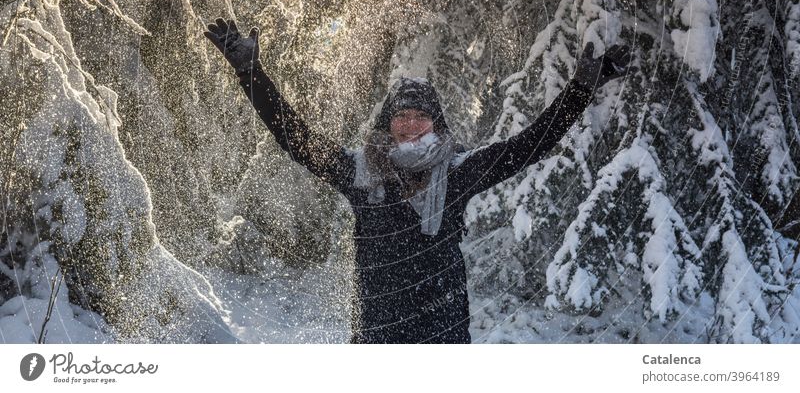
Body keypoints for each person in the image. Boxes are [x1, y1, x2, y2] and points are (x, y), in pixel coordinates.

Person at [204, 18, 632, 343]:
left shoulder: (458, 171)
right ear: (388, 124)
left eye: (420, 116)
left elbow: (529, 145)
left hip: (442, 336)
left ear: (436, 124)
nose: (410, 125)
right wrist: (251, 73)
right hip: (375, 337)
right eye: (401, 116)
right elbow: (294, 137)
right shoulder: (360, 173)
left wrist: (580, 89)